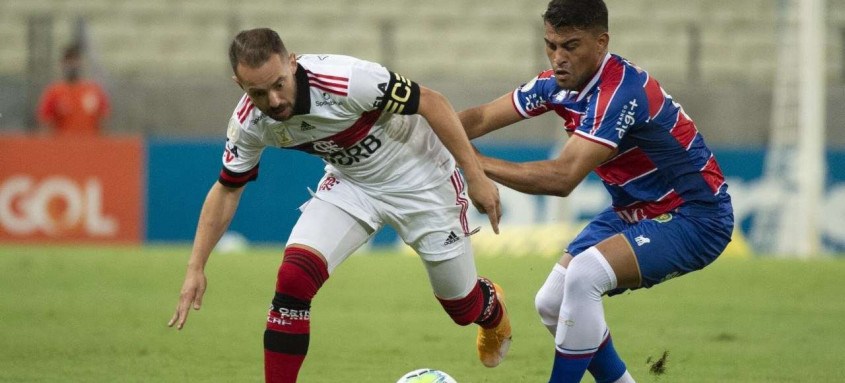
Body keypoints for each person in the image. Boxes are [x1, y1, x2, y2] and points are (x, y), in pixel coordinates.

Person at [167, 28, 512, 382]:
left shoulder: (346, 80)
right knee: (293, 279)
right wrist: (196, 266)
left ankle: (490, 308)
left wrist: (475, 175)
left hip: (421, 175)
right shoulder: (249, 123)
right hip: (353, 183)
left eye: (279, 84)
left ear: (292, 62)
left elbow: (432, 101)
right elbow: (227, 189)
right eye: (258, 92)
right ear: (239, 84)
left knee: (461, 307)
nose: (273, 101)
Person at [458, 0, 734, 382]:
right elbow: (482, 117)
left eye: (570, 46)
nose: (558, 58)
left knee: (584, 275)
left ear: (601, 42)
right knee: (551, 302)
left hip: (697, 216)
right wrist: (421, 133)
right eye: (551, 45)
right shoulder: (555, 85)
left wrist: (472, 162)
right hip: (633, 210)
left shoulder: (622, 91)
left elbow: (563, 177)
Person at [36, 43, 110, 136]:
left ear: (81, 63)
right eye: (68, 60)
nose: (72, 64)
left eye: (75, 60)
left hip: (90, 147)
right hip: (63, 147)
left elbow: (104, 121)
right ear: (62, 63)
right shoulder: (54, 92)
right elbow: (45, 122)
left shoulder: (95, 90)